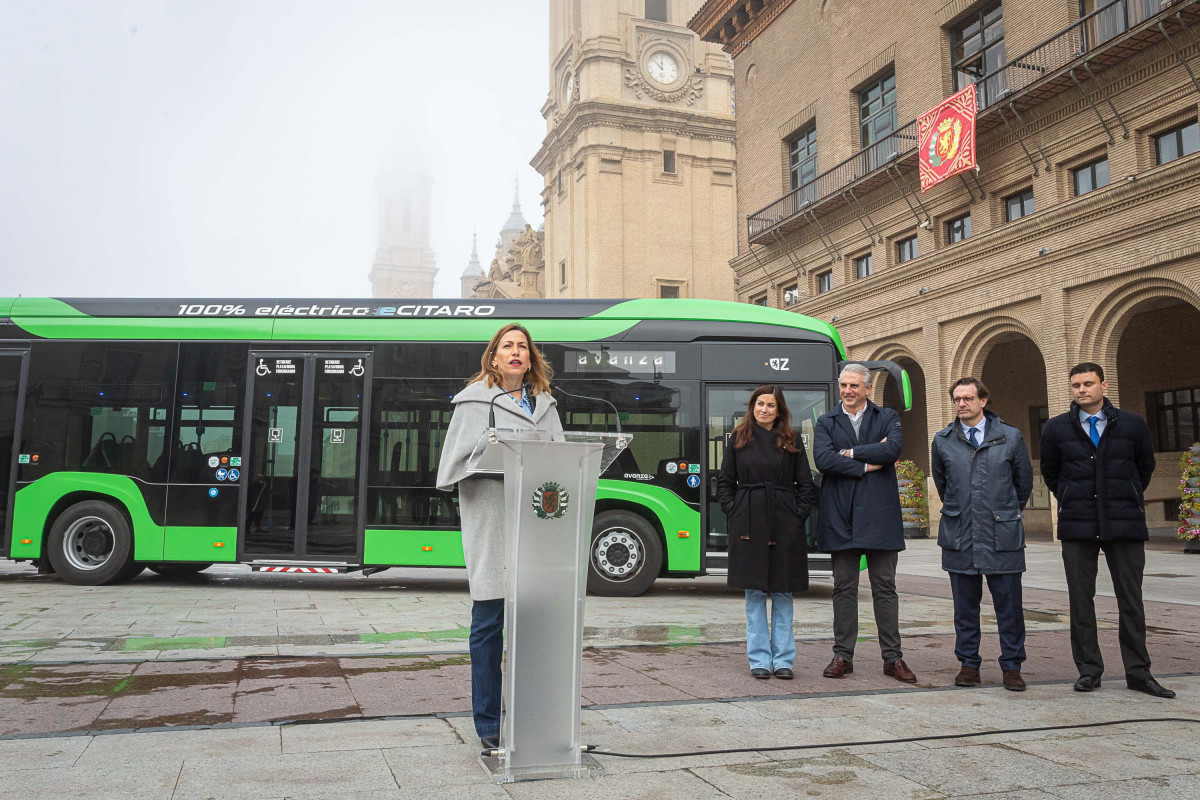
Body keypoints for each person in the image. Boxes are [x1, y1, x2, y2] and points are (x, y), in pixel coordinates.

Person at [435, 322, 564, 749]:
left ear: (530, 359)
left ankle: (532, 717)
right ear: (493, 357)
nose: (515, 352)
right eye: (507, 346)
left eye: (522, 347)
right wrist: (492, 451)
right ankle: (488, 722)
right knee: (489, 626)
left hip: (538, 530)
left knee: (535, 628)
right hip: (493, 526)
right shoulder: (474, 403)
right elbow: (449, 471)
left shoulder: (546, 405)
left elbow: (563, 462)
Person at [1040, 362, 1174, 698]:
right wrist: (1072, 497)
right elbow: (1052, 473)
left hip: (1124, 523)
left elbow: (1145, 466)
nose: (1081, 390)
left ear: (1104, 385)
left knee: (1131, 600)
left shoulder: (1131, 424)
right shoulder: (1056, 428)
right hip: (1078, 525)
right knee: (1080, 600)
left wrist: (1126, 494)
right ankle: (1088, 670)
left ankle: (1139, 673)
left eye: (1088, 384)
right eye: (1075, 385)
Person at [813, 364, 915, 682]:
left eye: (854, 386)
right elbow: (824, 460)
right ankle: (842, 656)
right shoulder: (825, 421)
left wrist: (850, 453)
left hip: (880, 517)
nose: (847, 391)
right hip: (840, 518)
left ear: (867, 389)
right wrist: (866, 465)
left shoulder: (887, 418)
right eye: (844, 385)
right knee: (844, 589)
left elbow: (892, 450)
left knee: (885, 589)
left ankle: (893, 659)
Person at [931, 377, 1032, 692]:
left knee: (1009, 607)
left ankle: (1012, 667)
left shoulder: (1010, 437)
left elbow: (1023, 484)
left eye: (968, 398)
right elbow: (942, 483)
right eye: (957, 399)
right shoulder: (943, 440)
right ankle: (969, 664)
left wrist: (1003, 512)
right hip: (960, 534)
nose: (962, 404)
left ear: (983, 401)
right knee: (964, 608)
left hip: (1002, 536)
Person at [717, 385, 816, 679]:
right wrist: (733, 509)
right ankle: (759, 659)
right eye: (760, 404)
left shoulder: (791, 439)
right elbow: (725, 482)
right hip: (748, 520)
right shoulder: (738, 438)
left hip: (784, 522)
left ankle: (784, 659)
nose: (764, 409)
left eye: (770, 405)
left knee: (784, 593)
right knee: (754, 593)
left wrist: (797, 515)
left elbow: (805, 483)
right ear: (752, 406)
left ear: (779, 410)